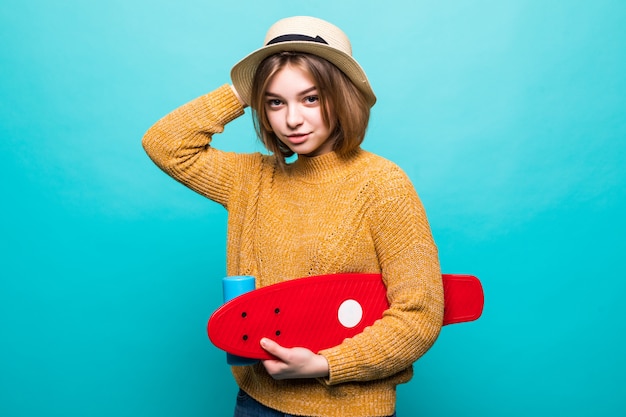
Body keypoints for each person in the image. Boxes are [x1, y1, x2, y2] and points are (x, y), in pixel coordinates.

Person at [143, 15, 444, 417]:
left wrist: (325, 364)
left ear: (342, 96)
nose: (292, 120)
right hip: (257, 403)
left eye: (311, 98)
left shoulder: (383, 184)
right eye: (274, 102)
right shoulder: (250, 179)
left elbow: (419, 315)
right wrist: (246, 86)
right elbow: (165, 143)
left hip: (350, 410)